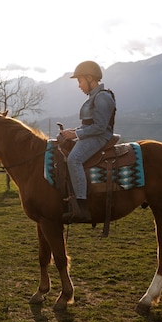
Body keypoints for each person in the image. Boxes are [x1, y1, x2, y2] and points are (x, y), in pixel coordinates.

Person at [59, 60, 117, 223]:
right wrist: (72, 132)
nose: (79, 85)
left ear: (90, 78)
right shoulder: (95, 97)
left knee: (74, 159)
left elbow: (99, 127)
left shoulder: (102, 97)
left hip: (100, 137)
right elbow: (89, 124)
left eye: (80, 80)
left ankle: (82, 207)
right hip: (92, 135)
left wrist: (76, 133)